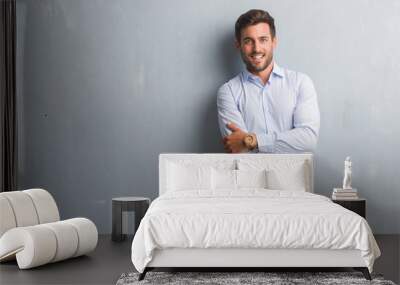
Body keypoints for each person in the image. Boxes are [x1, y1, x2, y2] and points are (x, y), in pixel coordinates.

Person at [217, 9, 320, 153]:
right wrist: (248, 143)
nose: (256, 48)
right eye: (248, 41)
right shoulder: (228, 92)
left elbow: (308, 140)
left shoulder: (300, 83)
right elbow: (238, 148)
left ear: (274, 42)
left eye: (263, 39)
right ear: (238, 45)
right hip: (249, 175)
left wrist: (252, 141)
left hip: (293, 176)